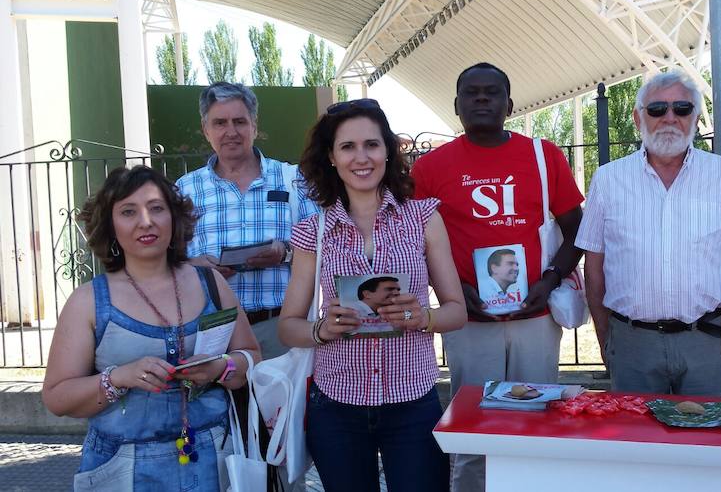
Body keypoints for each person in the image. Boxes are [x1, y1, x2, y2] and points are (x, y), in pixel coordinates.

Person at [410, 62, 584, 492]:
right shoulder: (430, 168)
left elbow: (577, 227)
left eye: (492, 93)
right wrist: (451, 290)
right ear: (456, 105)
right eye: (472, 93)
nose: (482, 99)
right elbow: (417, 242)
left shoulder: (543, 156)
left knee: (538, 423)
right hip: (470, 321)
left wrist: (551, 279)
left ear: (509, 104)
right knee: (473, 432)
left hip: (535, 318)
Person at [277, 98, 466, 492]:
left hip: (412, 402)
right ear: (330, 157)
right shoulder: (314, 231)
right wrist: (321, 330)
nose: (361, 157)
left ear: (387, 152)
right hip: (337, 405)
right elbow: (288, 326)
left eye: (372, 145)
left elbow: (456, 311)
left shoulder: (423, 217)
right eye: (347, 147)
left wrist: (422, 317)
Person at [42, 166, 261, 491]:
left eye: (157, 208)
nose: (146, 221)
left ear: (174, 218)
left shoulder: (211, 284)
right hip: (121, 467)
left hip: (214, 461)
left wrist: (220, 367)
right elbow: (58, 398)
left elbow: (252, 356)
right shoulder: (88, 301)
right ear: (111, 226)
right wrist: (119, 378)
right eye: (129, 211)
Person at [576, 70, 721, 397]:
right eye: (656, 109)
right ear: (638, 118)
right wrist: (606, 337)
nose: (670, 118)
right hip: (632, 344)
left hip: (706, 341)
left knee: (708, 442)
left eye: (682, 109)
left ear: (696, 117)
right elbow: (594, 268)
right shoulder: (609, 179)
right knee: (638, 444)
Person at [176, 81, 318, 361]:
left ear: (254, 125)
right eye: (220, 123)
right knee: (222, 406)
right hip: (214, 335)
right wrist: (196, 266)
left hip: (281, 331)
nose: (231, 132)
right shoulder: (184, 190)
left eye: (239, 121)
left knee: (285, 407)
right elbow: (162, 262)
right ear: (206, 130)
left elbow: (326, 247)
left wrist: (286, 252)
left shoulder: (293, 181)